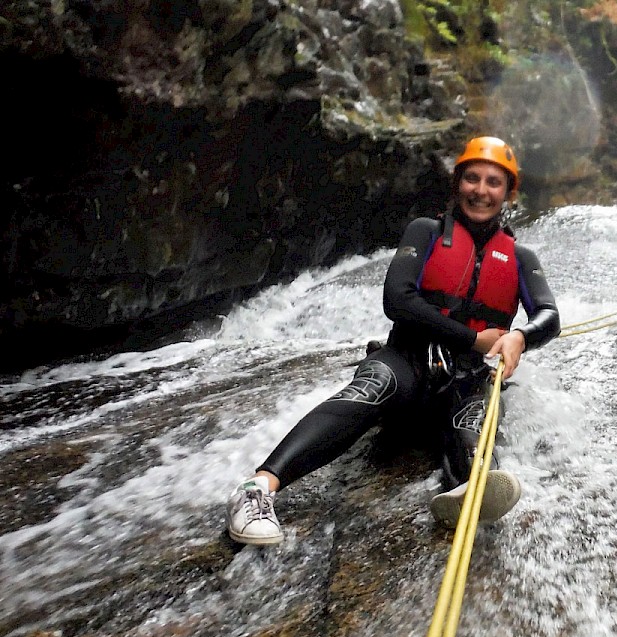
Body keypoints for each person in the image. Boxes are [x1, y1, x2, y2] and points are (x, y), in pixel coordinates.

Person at [225, 136, 562, 545]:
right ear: (457, 184)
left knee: (475, 419)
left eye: (494, 182)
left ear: (509, 192)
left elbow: (549, 315)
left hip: (469, 379)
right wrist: (473, 337)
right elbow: (397, 299)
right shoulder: (425, 231)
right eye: (472, 178)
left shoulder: (521, 257)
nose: (481, 190)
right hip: (406, 362)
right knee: (371, 388)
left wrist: (520, 337)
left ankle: (469, 490)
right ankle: (258, 489)